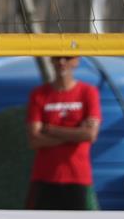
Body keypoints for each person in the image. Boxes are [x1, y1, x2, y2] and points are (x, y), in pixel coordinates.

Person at [25, 55, 101, 210]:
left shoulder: (88, 92)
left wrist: (51, 129)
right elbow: (34, 140)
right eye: (57, 58)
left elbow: (90, 135)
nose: (62, 62)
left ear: (76, 61)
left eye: (67, 57)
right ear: (51, 61)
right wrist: (76, 133)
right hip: (44, 177)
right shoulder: (39, 94)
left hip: (78, 177)